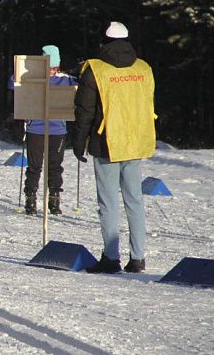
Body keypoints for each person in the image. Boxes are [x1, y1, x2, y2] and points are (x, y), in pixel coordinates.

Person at [73, 21, 156, 274]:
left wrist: (79, 141)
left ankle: (111, 257)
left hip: (106, 142)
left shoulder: (95, 70)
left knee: (108, 202)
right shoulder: (143, 68)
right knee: (135, 200)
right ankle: (138, 258)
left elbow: (85, 110)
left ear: (104, 41)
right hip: (135, 140)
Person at [10, 45, 78, 215]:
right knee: (34, 166)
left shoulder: (66, 79)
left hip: (57, 129)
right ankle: (30, 198)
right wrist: (21, 72)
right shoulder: (33, 78)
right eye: (48, 68)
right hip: (35, 128)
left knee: (55, 166)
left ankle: (54, 199)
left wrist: (81, 71)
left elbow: (82, 84)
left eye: (54, 68)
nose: (51, 71)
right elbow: (12, 83)